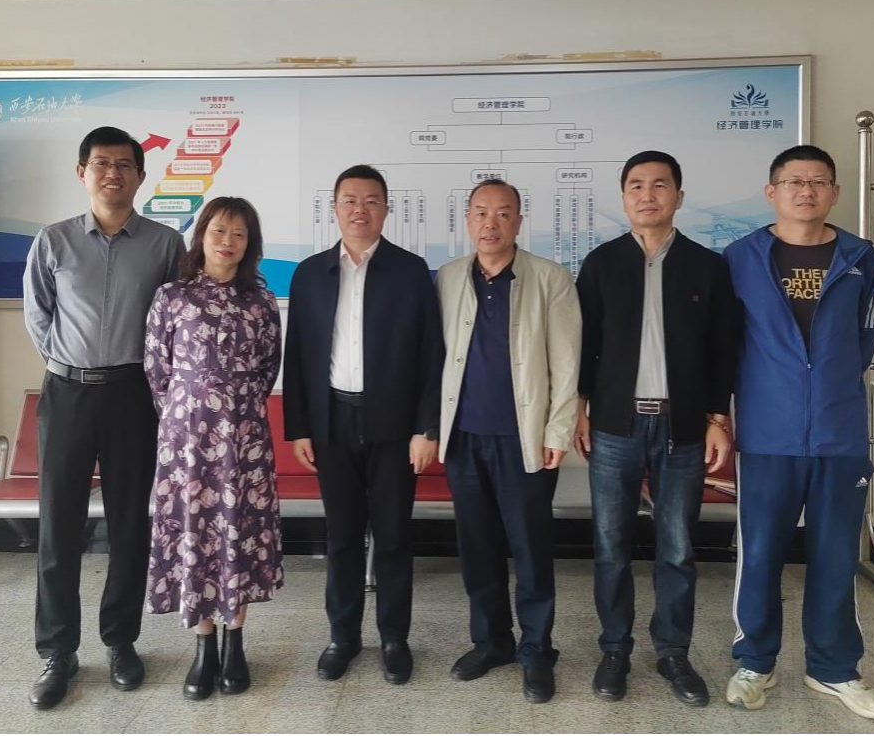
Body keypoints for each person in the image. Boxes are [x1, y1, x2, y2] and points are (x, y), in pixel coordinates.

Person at [723, 145, 874, 720]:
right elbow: (729, 342)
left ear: (834, 193)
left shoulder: (860, 257)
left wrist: (826, 384)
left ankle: (834, 668)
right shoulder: (741, 257)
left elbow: (863, 339)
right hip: (766, 432)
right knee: (760, 552)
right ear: (771, 192)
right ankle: (755, 661)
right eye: (794, 181)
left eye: (818, 181)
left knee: (836, 554)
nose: (806, 190)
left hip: (839, 432)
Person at [23, 126, 185, 708]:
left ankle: (121, 641)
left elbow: (174, 323)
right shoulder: (54, 240)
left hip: (132, 396)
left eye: (123, 164)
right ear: (82, 172)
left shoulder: (165, 244)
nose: (112, 173)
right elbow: (38, 316)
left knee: (129, 524)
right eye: (100, 163)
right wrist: (70, 364)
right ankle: (57, 651)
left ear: (140, 175)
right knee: (58, 526)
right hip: (67, 394)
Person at [575, 151, 737, 706]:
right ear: (624, 197)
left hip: (683, 426)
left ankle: (673, 652)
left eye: (660, 185)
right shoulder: (601, 264)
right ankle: (614, 649)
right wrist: (579, 406)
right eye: (636, 185)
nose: (648, 195)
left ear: (679, 197)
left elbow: (722, 349)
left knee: (677, 547)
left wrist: (717, 418)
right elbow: (585, 344)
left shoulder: (708, 267)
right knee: (610, 545)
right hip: (614, 425)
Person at [282, 164, 444, 684]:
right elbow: (297, 354)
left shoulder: (411, 271)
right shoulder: (310, 274)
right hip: (331, 421)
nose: (360, 209)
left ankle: (394, 638)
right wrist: (299, 427)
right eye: (350, 200)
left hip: (394, 424)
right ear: (334, 208)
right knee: (342, 537)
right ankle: (343, 637)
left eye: (372, 200)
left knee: (393, 536)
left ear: (386, 209)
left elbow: (431, 354)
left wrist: (426, 427)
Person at [436, 179, 581, 704]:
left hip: (525, 440)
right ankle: (492, 641)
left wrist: (557, 430)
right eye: (480, 213)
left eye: (502, 213)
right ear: (467, 220)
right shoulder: (447, 278)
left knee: (530, 549)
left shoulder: (550, 278)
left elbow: (567, 364)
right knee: (478, 550)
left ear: (519, 221)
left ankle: (537, 650)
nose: (490, 223)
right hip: (463, 438)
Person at [144, 197, 283, 699]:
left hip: (243, 441)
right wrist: (191, 410)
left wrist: (232, 409)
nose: (228, 242)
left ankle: (235, 641)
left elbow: (268, 367)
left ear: (250, 245)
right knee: (195, 534)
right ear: (201, 235)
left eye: (239, 234)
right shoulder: (172, 297)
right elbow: (156, 370)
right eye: (219, 230)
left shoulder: (261, 301)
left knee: (237, 533)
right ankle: (203, 645)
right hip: (186, 443)